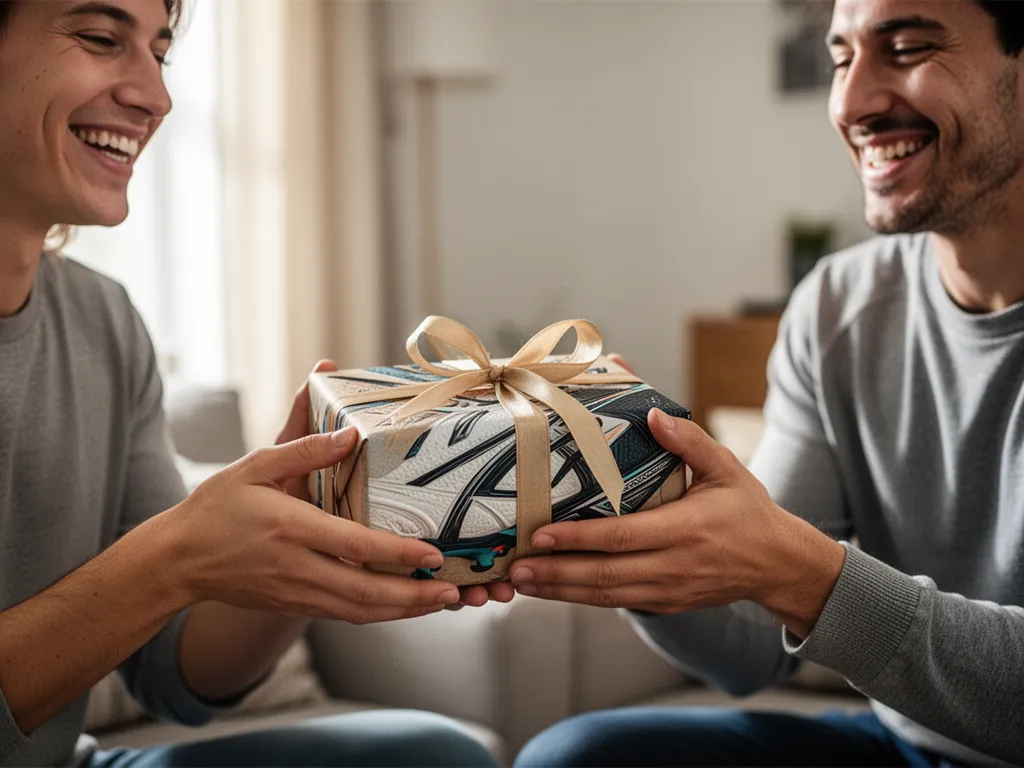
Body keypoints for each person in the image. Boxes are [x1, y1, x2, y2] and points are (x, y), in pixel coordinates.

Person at [512, 0, 1024, 765]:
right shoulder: (839, 306)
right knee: (579, 757)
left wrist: (807, 574)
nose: (851, 103)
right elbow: (746, 654)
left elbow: (795, 573)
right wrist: (629, 514)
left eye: (910, 47)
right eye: (842, 58)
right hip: (911, 747)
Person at [0, 1, 508, 765]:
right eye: (102, 40)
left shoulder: (104, 322)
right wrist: (172, 558)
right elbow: (163, 572)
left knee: (439, 754)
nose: (154, 96)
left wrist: (315, 540)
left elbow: (175, 672)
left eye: (159, 53)